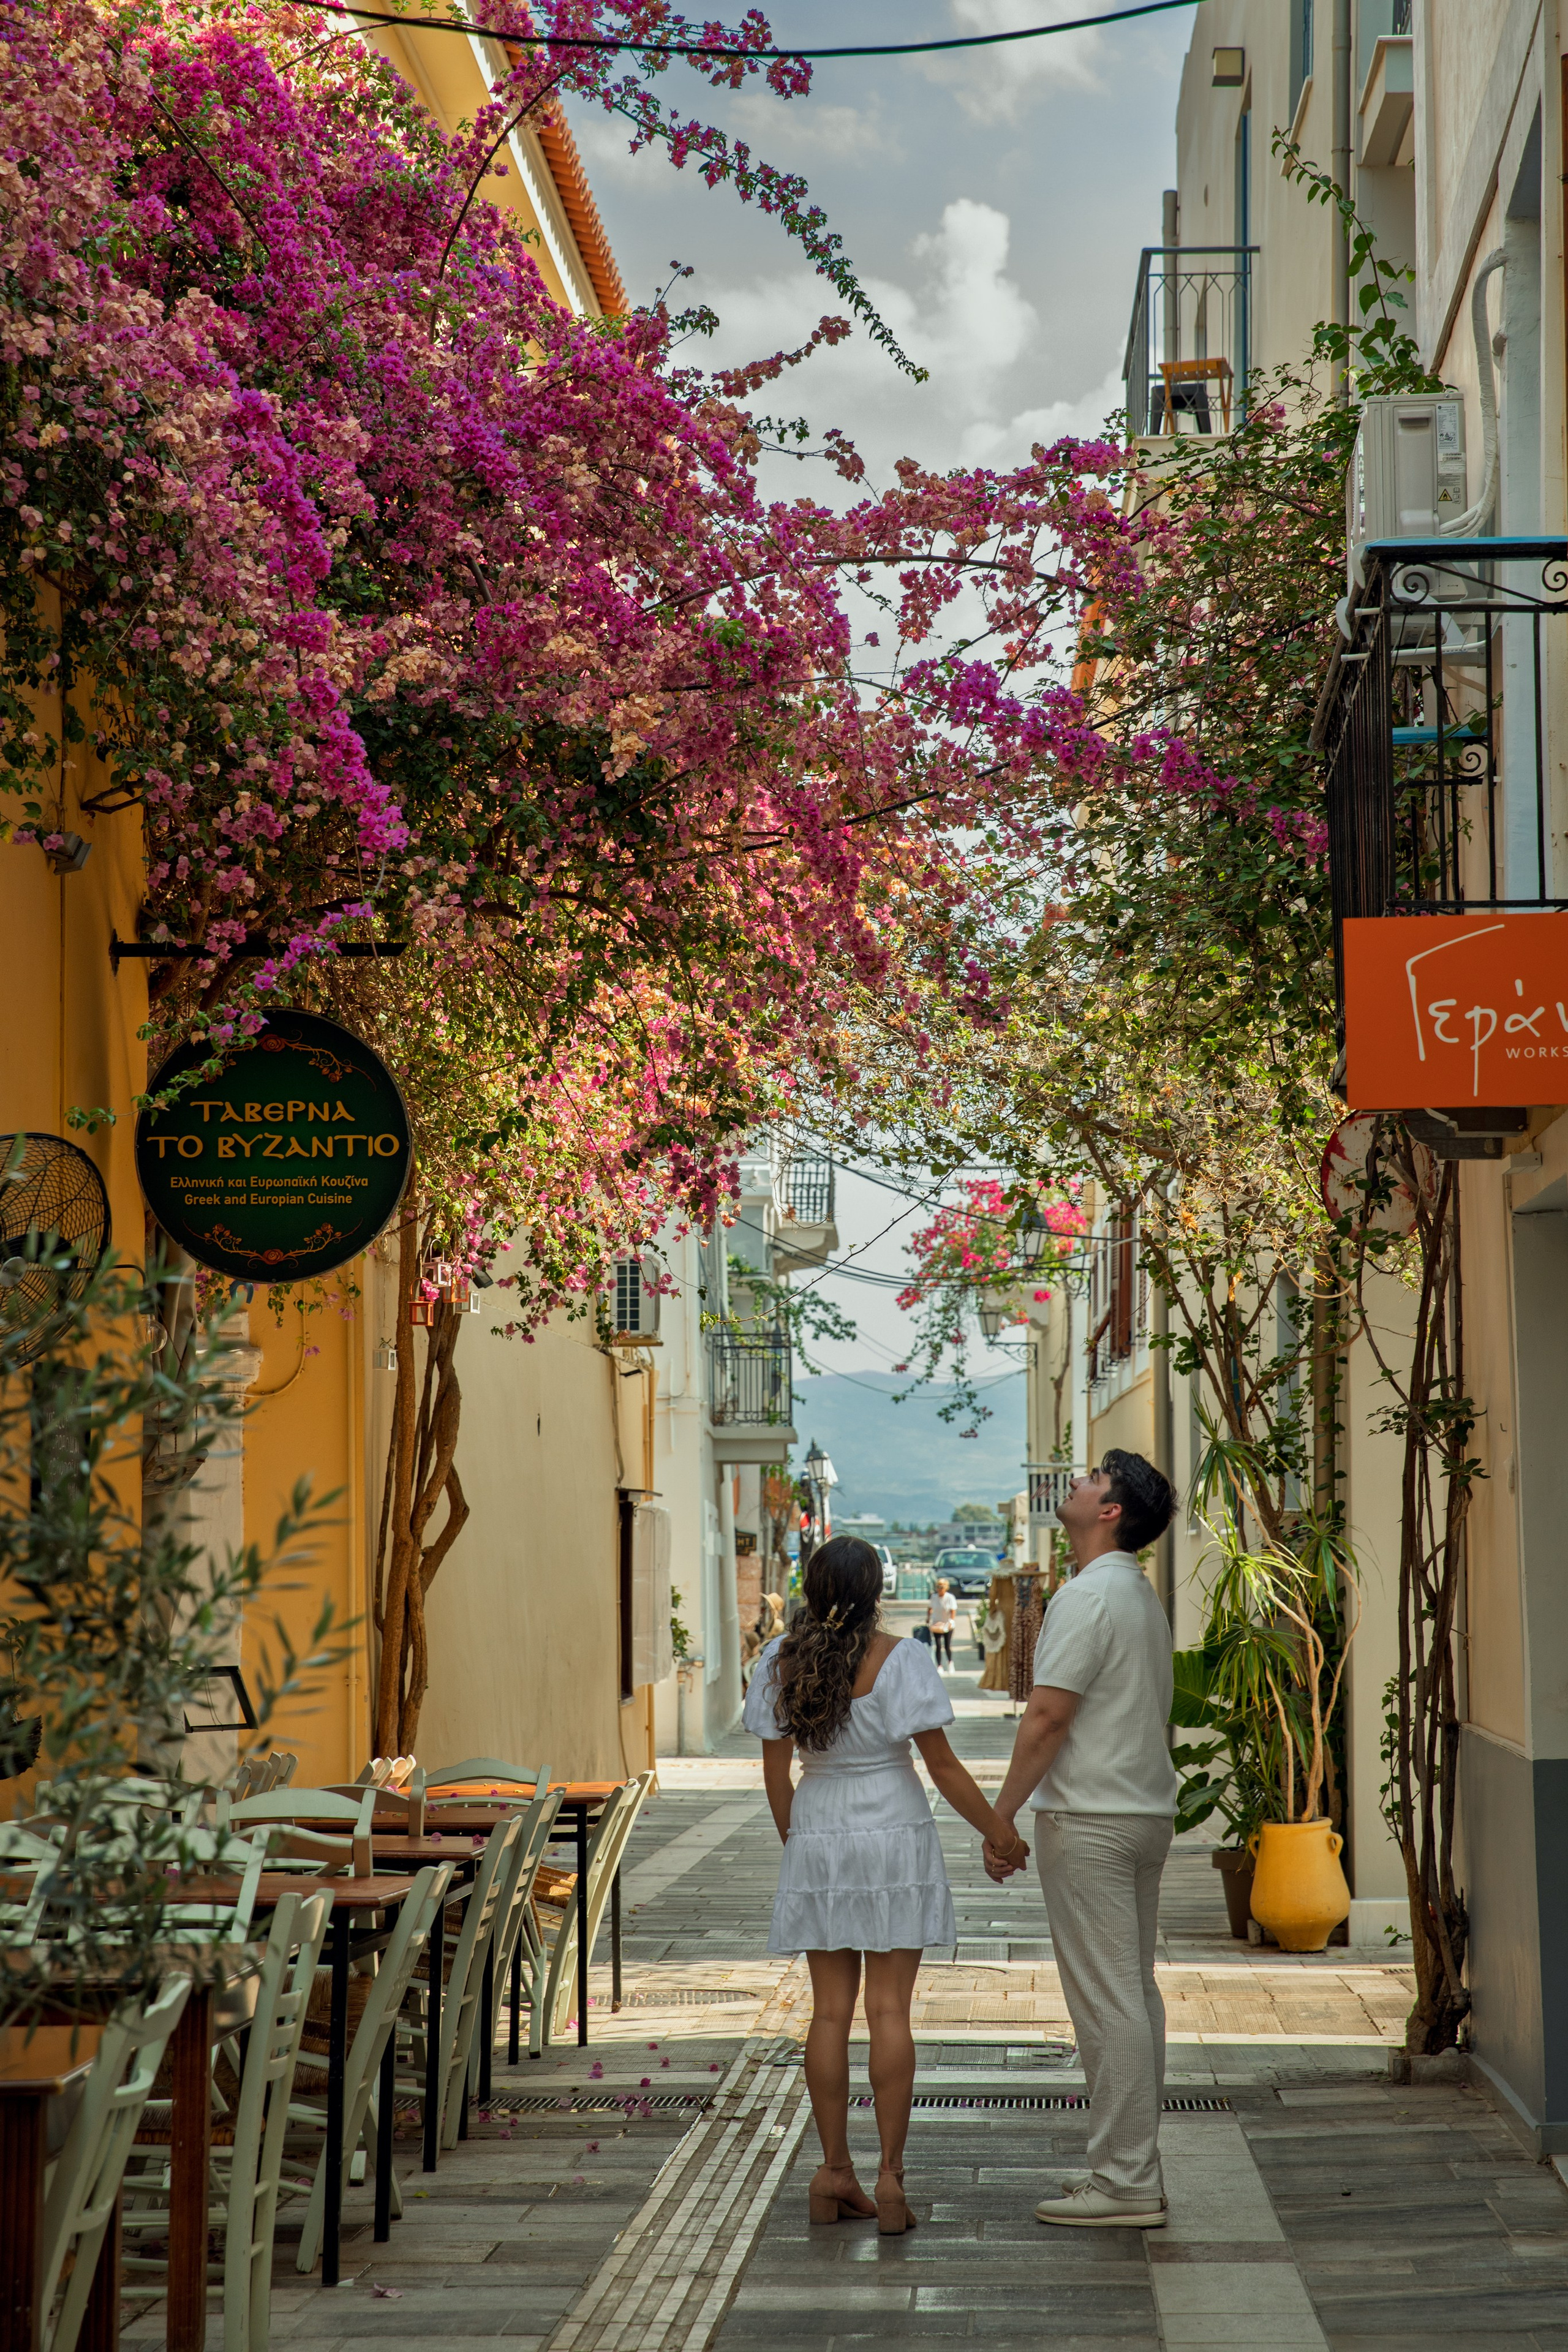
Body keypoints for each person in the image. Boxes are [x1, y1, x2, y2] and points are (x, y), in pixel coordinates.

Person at [744, 1535, 1028, 2235]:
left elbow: (776, 1777)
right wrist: (1000, 1833)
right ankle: (891, 2179)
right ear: (875, 1591)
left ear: (810, 1588)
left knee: (829, 2014)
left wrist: (801, 1843)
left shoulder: (778, 1664)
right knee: (889, 2013)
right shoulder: (900, 1659)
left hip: (820, 1828)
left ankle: (832, 2169)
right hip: (894, 1831)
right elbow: (945, 1768)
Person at [985, 1451, 1179, 2231]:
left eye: (1096, 1477)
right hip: (1138, 1815)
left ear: (1110, 1513)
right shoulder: (1135, 1596)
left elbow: (1045, 1718)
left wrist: (999, 1818)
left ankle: (1126, 2181)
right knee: (1131, 1993)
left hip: (1093, 1821)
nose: (1079, 1479)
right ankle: (1133, 2168)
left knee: (1107, 2000)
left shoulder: (1089, 1596)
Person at [926, 1577, 957, 1668]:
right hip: (937, 1623)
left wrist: (951, 1621)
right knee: (938, 1645)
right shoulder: (934, 1597)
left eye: (942, 1587)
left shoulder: (950, 1598)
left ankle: (950, 1662)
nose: (940, 1589)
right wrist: (928, 1618)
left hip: (947, 1624)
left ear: (946, 1588)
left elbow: (953, 1611)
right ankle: (939, 1665)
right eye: (938, 1587)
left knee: (947, 1645)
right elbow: (930, 1608)